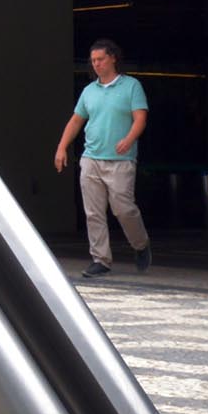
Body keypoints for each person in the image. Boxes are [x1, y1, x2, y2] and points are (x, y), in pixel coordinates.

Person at [53, 37, 151, 278]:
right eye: (93, 60)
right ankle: (100, 259)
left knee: (123, 209)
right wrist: (62, 147)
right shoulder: (89, 91)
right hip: (91, 158)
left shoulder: (131, 86)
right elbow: (76, 120)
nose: (96, 64)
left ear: (113, 58)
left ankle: (140, 244)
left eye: (100, 59)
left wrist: (129, 139)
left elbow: (140, 117)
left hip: (121, 159)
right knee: (93, 212)